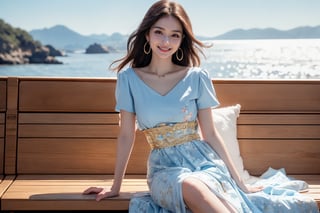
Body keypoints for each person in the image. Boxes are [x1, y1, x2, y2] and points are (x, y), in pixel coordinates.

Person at [83, 1, 319, 212]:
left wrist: (240, 182)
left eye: (175, 35)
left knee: (201, 186)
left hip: (205, 163)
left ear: (182, 39)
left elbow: (211, 134)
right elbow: (126, 134)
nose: (166, 42)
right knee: (191, 186)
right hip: (164, 169)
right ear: (147, 35)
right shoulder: (129, 79)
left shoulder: (197, 77)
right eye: (159, 32)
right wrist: (116, 186)